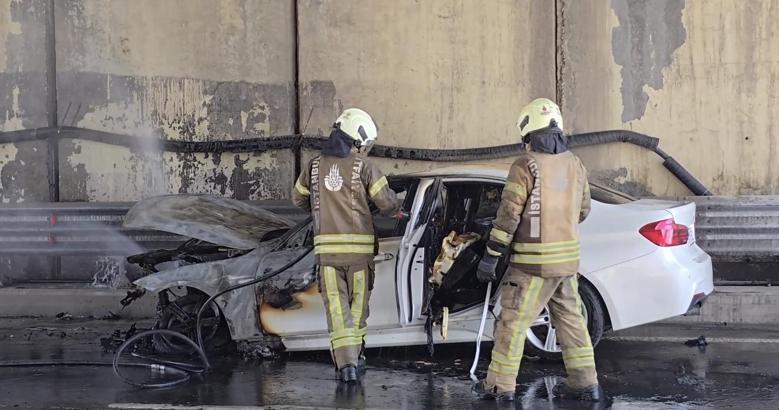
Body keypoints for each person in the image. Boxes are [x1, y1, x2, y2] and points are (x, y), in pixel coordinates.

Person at [472, 98, 604, 402]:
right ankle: (587, 384)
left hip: (531, 266)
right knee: (571, 320)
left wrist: (492, 254)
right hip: (567, 264)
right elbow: (583, 210)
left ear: (527, 131)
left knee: (512, 324)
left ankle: (499, 387)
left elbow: (508, 215)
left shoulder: (525, 165)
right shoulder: (575, 164)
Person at [292, 108, 402, 383]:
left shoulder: (313, 166)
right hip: (359, 256)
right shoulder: (364, 167)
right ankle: (357, 359)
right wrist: (398, 207)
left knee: (338, 312)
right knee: (357, 309)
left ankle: (347, 366)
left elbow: (297, 199)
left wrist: (322, 206)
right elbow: (387, 205)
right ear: (357, 140)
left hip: (327, 256)